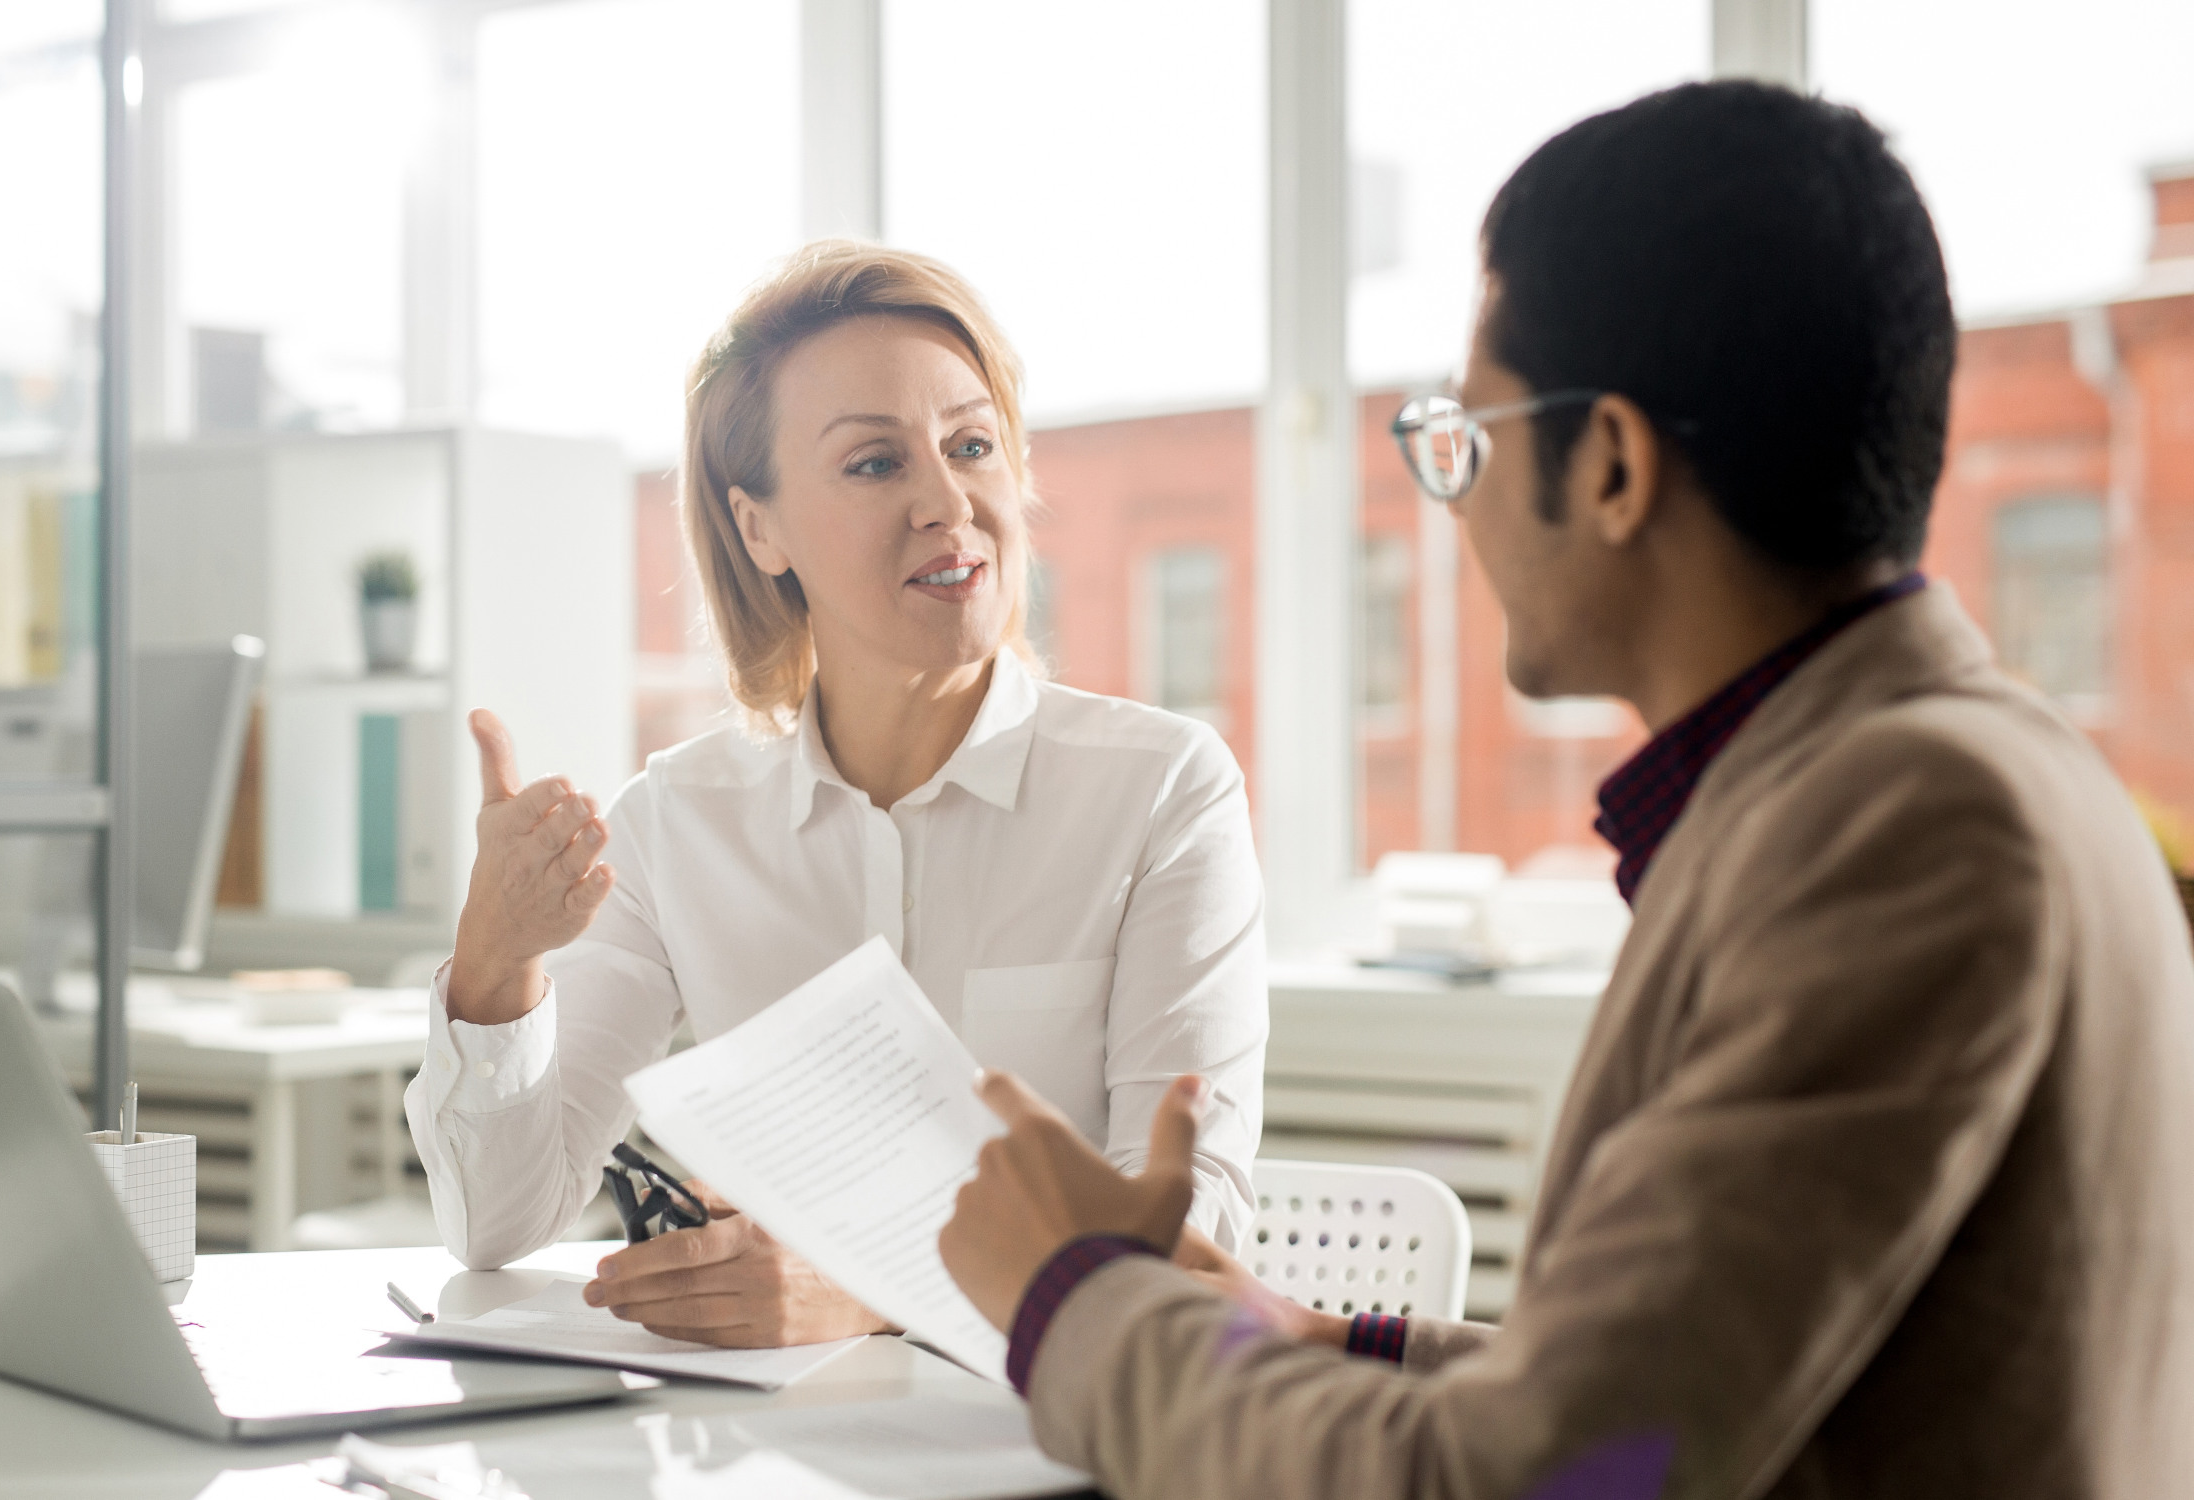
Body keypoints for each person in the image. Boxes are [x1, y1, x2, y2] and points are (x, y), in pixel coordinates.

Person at [937, 80, 2194, 1498]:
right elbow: (1677, 1392)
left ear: (1608, 465)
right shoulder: (1938, 770)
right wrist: (1306, 1342)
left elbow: (1542, 1480)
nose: (1454, 501)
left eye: (1466, 441)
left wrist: (1073, 1308)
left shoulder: (1910, 825)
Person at [405, 241, 1268, 1348]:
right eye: (874, 464)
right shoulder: (678, 823)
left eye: (971, 445)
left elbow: (1191, 1232)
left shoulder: (1161, 791)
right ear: (757, 527)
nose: (947, 501)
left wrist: (870, 1301)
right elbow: (496, 1223)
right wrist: (495, 964)